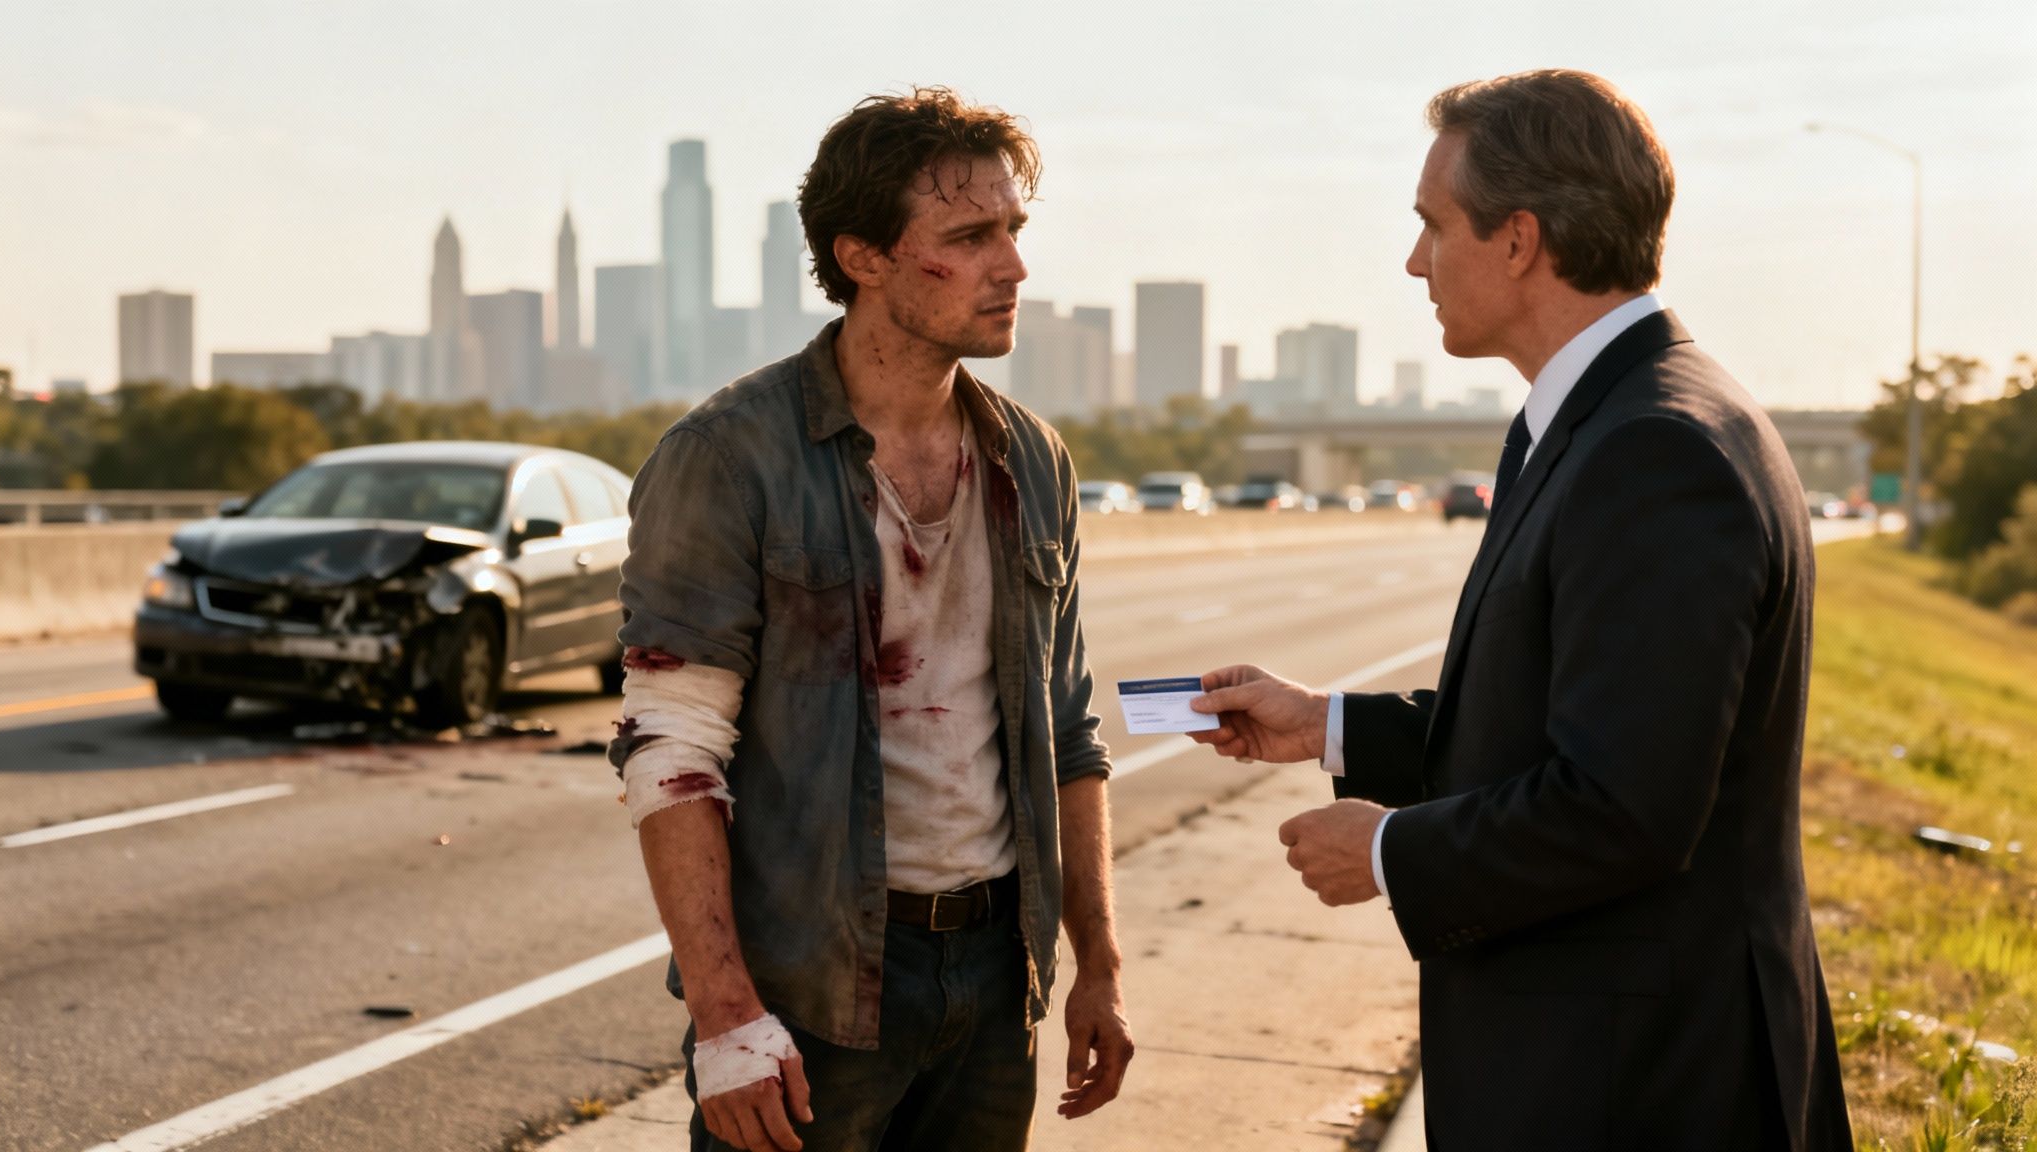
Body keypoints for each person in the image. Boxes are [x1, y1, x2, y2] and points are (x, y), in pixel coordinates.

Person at [1189, 70, 1852, 1151]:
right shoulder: (1606, 418)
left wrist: (1392, 852)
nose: (1414, 261)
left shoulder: (1653, 449)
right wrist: (1326, 726)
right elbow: (1555, 713)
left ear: (1517, 240)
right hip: (1609, 1059)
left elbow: (1623, 805)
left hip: (1636, 1085)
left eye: (1431, 225)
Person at [610, 87, 1132, 1152]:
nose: (1012, 267)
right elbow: (671, 751)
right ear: (864, 257)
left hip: (995, 977)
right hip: (813, 985)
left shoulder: (1029, 459)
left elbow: (1066, 733)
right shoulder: (727, 458)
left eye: (1013, 232)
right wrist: (723, 1014)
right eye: (969, 237)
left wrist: (1098, 968)